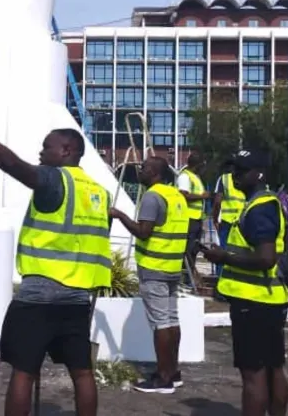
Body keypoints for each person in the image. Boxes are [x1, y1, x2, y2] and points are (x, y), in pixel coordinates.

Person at [0, 96, 111, 416]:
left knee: (24, 370)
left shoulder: (53, 178)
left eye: (46, 147)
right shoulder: (98, 193)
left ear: (67, 151)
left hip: (39, 296)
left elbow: (12, 165)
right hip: (77, 298)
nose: (41, 153)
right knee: (82, 371)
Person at [203, 150, 288, 416]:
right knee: (274, 367)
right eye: (233, 170)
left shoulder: (260, 207)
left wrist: (223, 256)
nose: (234, 176)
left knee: (253, 375)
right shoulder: (260, 204)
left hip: (254, 303)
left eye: (240, 171)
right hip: (268, 301)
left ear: (259, 174)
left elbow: (265, 258)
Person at [111, 156, 189, 394]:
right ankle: (173, 372)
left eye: (144, 168)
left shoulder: (152, 197)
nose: (140, 170)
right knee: (172, 320)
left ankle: (163, 377)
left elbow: (144, 232)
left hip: (154, 268)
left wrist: (120, 215)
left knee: (161, 324)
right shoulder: (176, 196)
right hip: (173, 267)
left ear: (154, 173)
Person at [176, 152, 209, 280]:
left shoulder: (195, 177)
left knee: (193, 249)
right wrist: (202, 196)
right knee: (187, 250)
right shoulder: (185, 177)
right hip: (188, 219)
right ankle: (184, 278)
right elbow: (183, 195)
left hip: (196, 219)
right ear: (199, 165)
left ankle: (188, 279)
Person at [211, 163, 246, 276]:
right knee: (240, 251)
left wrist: (215, 218)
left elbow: (217, 201)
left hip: (227, 221)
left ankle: (221, 277)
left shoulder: (224, 179)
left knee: (223, 252)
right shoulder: (246, 178)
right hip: (243, 220)